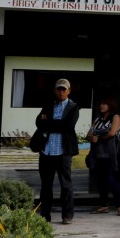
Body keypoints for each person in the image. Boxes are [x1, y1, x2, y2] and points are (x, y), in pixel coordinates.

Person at [34, 78, 80, 224]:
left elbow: (68, 126)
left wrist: (49, 124)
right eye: (59, 89)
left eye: (64, 89)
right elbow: (38, 122)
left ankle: (67, 216)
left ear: (69, 91)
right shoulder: (48, 105)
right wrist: (54, 124)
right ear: (55, 90)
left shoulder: (73, 107)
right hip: (46, 151)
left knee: (66, 185)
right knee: (46, 186)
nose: (61, 91)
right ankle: (45, 216)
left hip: (63, 152)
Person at [87, 96, 120, 215]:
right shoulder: (98, 119)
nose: (102, 106)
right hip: (98, 154)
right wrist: (94, 136)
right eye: (101, 104)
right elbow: (89, 134)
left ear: (110, 105)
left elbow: (112, 133)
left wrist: (97, 136)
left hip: (110, 153)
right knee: (101, 180)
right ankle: (104, 205)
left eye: (105, 104)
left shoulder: (115, 117)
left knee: (111, 179)